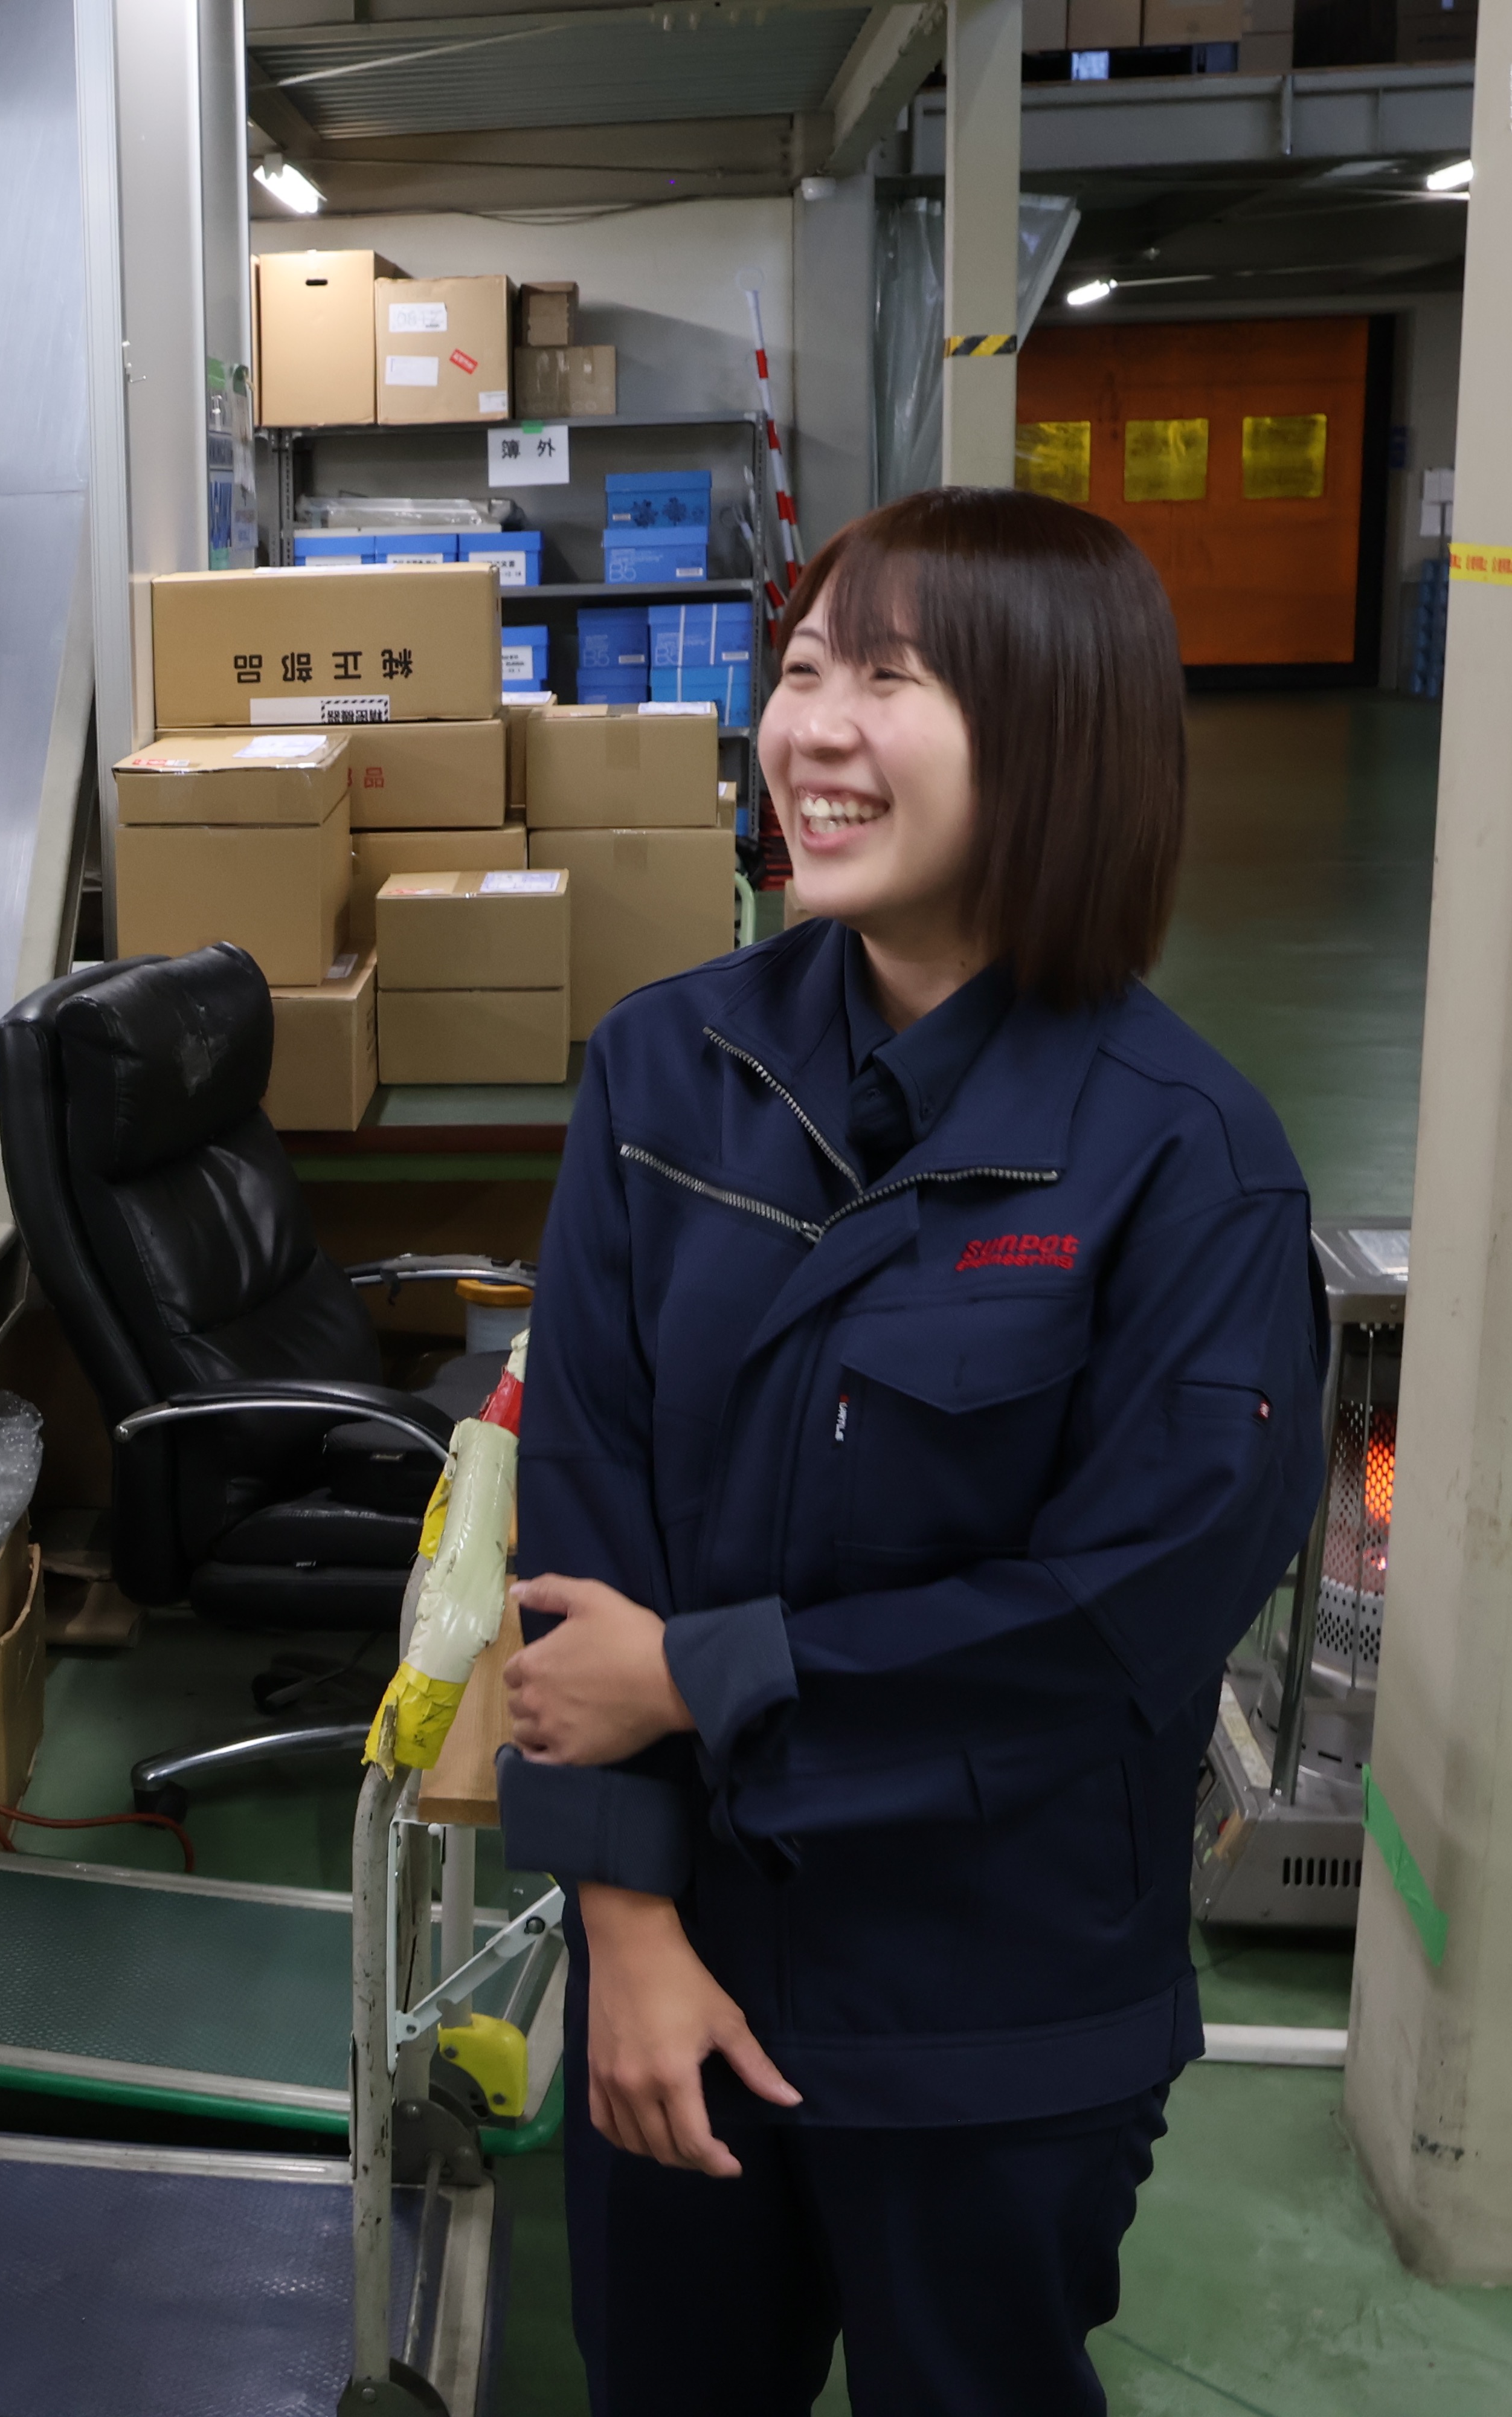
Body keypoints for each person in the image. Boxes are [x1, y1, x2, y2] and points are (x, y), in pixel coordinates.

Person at [492, 486, 1325, 2415]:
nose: (815, 731)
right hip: (684, 1965)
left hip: (992, 2014)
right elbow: (583, 1522)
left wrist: (705, 1671)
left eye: (892, 680)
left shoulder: (1184, 1161)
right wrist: (625, 1925)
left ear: (1057, 739)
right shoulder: (666, 1072)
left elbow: (1116, 1621)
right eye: (803, 671)